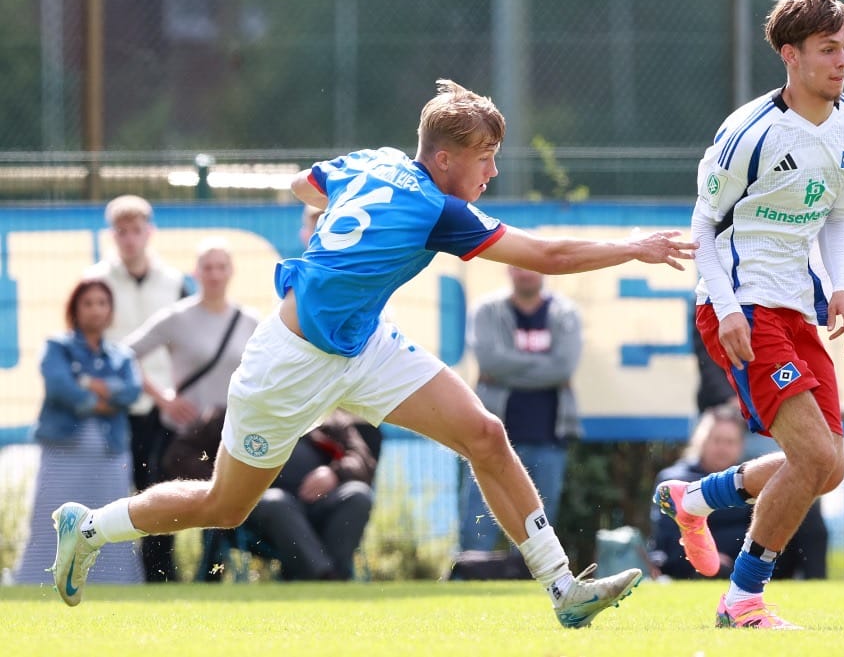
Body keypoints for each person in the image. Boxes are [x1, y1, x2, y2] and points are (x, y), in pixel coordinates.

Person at [49, 79, 694, 628]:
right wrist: (634, 246)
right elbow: (549, 257)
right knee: (225, 505)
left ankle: (563, 590)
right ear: (443, 160)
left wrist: (342, 213)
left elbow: (305, 183)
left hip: (363, 344)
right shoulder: (441, 210)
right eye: (487, 157)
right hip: (290, 365)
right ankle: (90, 527)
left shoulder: (377, 161)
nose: (492, 172)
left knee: (484, 434)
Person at [654, 0, 844, 629]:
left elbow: (838, 213)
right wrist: (723, 308)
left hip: (797, 309)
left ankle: (694, 498)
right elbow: (703, 224)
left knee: (828, 467)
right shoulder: (747, 133)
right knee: (811, 458)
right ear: (789, 54)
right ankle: (742, 599)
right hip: (741, 309)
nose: (840, 61)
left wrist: (842, 284)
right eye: (827, 49)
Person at [83, 194, 189, 582]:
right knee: (109, 495)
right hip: (115, 410)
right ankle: (105, 574)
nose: (129, 240)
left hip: (167, 412)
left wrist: (173, 395)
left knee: (161, 490)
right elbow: (101, 351)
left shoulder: (176, 282)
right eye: (121, 232)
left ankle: (161, 577)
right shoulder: (94, 281)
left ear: (150, 232)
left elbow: (188, 343)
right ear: (112, 235)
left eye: (136, 231)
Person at [14, 279, 145, 586]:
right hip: (63, 450)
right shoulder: (56, 347)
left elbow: (131, 391)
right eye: (88, 303)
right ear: (75, 308)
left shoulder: (122, 355)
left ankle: (114, 584)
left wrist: (87, 383)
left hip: (109, 453)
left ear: (110, 310)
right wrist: (97, 398)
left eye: (102, 303)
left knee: (111, 522)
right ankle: (38, 582)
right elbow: (60, 386)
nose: (96, 310)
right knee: (50, 520)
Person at [461, 265, 583, 550]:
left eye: (533, 266)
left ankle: (540, 580)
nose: (526, 273)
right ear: (508, 271)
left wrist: (508, 371)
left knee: (541, 524)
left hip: (548, 436)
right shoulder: (487, 310)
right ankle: (469, 572)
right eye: (519, 267)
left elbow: (564, 366)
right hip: (490, 438)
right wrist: (544, 369)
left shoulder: (565, 313)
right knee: (477, 522)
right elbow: (490, 361)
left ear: (544, 271)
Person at [124, 238, 260, 481]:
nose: (215, 275)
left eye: (221, 267)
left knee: (231, 514)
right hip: (184, 437)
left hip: (231, 437)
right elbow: (124, 354)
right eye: (207, 267)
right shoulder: (177, 317)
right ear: (196, 272)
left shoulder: (251, 320)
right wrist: (163, 398)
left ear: (232, 271)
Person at [651, 406, 825, 580]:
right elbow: (668, 535)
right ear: (701, 441)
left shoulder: (751, 477)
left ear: (740, 446)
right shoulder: (677, 480)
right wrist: (710, 555)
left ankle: (817, 583)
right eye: (717, 441)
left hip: (753, 557)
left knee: (804, 505)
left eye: (730, 442)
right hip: (693, 562)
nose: (723, 448)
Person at [239, 410, 378, 581]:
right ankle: (326, 577)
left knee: (358, 494)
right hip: (270, 516)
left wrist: (335, 473)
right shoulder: (249, 419)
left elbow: (363, 460)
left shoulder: (331, 420)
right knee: (275, 501)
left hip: (322, 508)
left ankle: (332, 575)